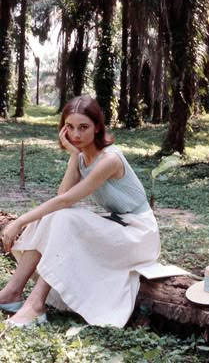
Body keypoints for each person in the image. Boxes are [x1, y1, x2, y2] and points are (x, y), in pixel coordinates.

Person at [0, 95, 160, 328]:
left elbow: (65, 201)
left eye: (83, 127)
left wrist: (18, 222)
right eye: (70, 127)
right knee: (55, 216)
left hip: (139, 235)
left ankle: (35, 305)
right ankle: (12, 292)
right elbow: (62, 195)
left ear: (97, 127)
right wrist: (74, 157)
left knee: (64, 219)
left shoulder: (110, 159)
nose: (76, 135)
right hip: (118, 225)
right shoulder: (83, 157)